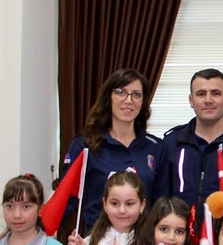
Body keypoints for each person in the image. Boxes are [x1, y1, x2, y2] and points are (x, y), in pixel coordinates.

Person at [61, 68, 168, 232]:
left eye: (136, 95)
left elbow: (162, 204)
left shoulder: (156, 148)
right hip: (97, 240)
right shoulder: (85, 145)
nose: (129, 100)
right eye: (121, 92)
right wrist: (36, 233)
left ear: (143, 102)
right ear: (108, 97)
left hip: (143, 241)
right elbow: (65, 200)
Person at [163, 68, 223, 229]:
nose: (208, 100)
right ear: (191, 100)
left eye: (216, 93)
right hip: (180, 237)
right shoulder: (171, 143)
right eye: (201, 94)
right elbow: (162, 196)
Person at [67, 170, 146, 245]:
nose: (122, 211)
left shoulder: (151, 242)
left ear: (142, 205)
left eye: (129, 204)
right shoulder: (90, 243)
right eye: (114, 203)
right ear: (104, 204)